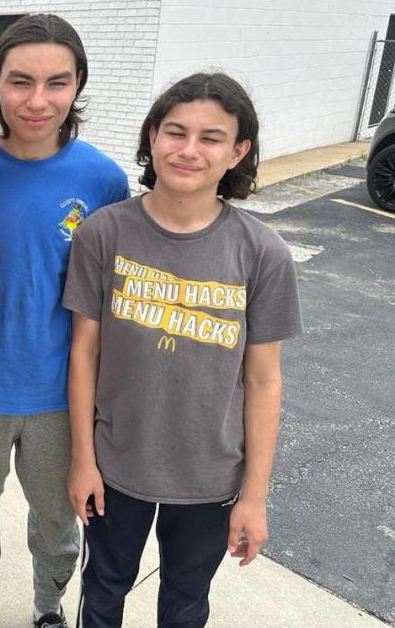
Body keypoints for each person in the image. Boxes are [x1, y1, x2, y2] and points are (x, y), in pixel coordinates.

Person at [64, 72, 302, 628]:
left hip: (211, 475)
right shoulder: (103, 233)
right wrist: (82, 460)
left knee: (186, 603)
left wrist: (255, 496)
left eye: (211, 137)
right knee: (103, 588)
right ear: (152, 137)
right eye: (175, 132)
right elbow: (84, 354)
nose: (189, 150)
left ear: (238, 151)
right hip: (116, 462)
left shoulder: (262, 253)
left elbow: (265, 381)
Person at [0, 15, 130, 628]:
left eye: (57, 82)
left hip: (61, 399)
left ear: (78, 86)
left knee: (57, 522)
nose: (37, 100)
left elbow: (113, 302)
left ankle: (49, 611)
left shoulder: (102, 180)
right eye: (21, 81)